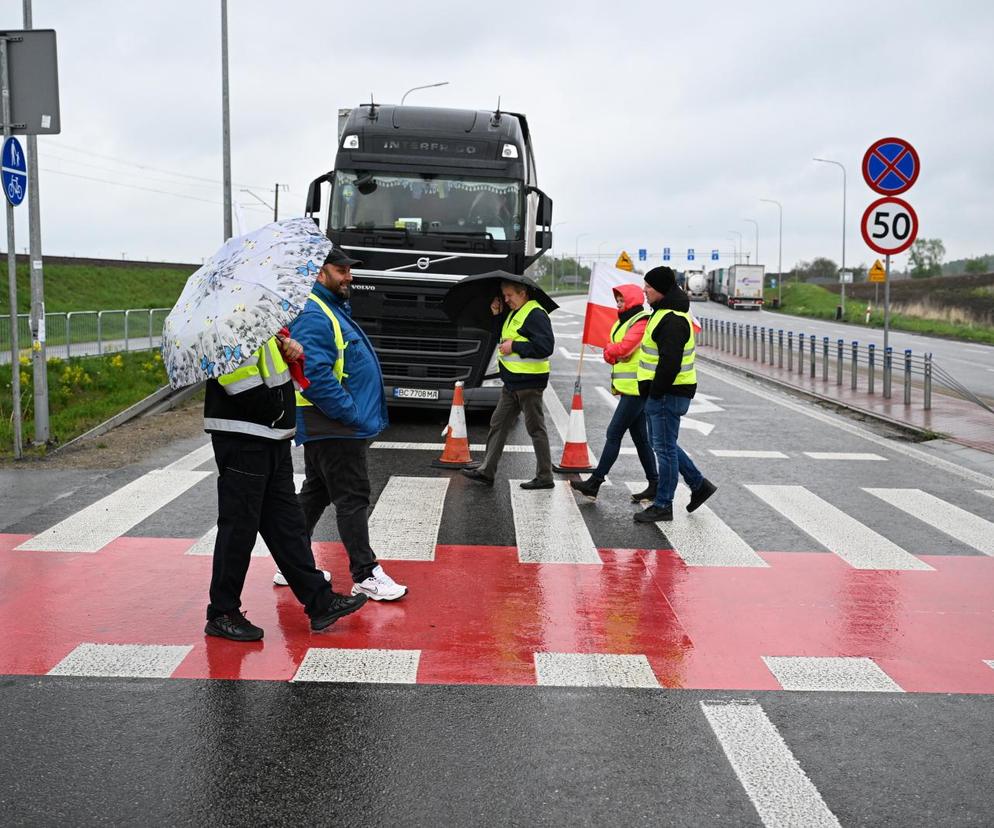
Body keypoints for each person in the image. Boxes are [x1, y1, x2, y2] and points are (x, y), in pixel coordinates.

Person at [203, 334, 368, 641]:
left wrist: (288, 352)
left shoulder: (256, 320)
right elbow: (237, 378)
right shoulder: (227, 325)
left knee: (286, 525)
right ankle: (222, 612)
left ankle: (320, 601)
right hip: (246, 438)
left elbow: (271, 370)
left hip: (271, 437)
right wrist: (275, 409)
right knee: (238, 528)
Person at [288, 247, 407, 601]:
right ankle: (365, 573)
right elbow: (315, 375)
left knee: (316, 492)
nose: (349, 276)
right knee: (353, 496)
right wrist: (349, 413)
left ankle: (291, 561)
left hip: (331, 423)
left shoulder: (331, 308)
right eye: (341, 270)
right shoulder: (315, 314)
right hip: (334, 424)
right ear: (319, 272)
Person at [633, 266, 717, 523]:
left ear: (660, 289)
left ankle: (663, 504)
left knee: (664, 448)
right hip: (662, 393)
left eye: (648, 287)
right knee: (665, 444)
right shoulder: (662, 314)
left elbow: (670, 363)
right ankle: (698, 484)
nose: (644, 291)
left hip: (668, 394)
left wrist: (655, 393)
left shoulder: (672, 320)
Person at [462, 279, 555, 490]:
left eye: (509, 295)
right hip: (512, 382)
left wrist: (515, 345)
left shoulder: (535, 314)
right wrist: (496, 315)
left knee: (535, 429)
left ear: (522, 293)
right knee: (498, 424)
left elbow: (545, 346)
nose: (506, 299)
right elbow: (501, 338)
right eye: (504, 296)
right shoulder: (514, 313)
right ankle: (487, 471)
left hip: (529, 383)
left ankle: (545, 476)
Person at [570, 284, 658, 501]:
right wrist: (614, 352)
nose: (618, 304)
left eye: (621, 300)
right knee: (641, 439)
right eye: (617, 300)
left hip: (638, 388)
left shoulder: (641, 321)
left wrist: (615, 351)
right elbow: (610, 350)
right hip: (629, 389)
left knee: (613, 433)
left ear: (632, 300)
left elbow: (624, 348)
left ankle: (595, 482)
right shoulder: (623, 322)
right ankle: (654, 483)